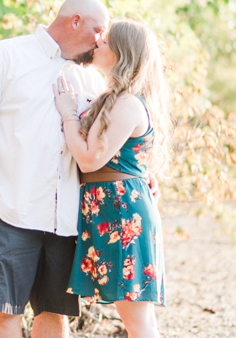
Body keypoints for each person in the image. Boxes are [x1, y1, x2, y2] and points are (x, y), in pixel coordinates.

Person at [0, 0, 158, 338]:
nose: (100, 39)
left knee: (55, 313)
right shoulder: (5, 56)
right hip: (9, 209)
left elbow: (110, 141)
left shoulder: (91, 79)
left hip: (67, 217)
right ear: (74, 21)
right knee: (5, 310)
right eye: (98, 30)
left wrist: (139, 174)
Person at [52, 19, 170, 338]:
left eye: (106, 40)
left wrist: (68, 115)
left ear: (121, 53)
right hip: (112, 209)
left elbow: (91, 158)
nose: (99, 41)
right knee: (132, 316)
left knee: (137, 320)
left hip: (123, 214)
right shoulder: (113, 98)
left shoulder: (127, 103)